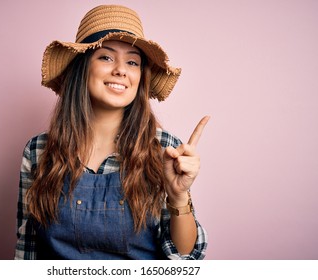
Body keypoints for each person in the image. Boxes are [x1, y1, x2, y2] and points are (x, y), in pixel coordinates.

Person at [15, 4, 209, 260]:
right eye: (106, 57)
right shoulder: (38, 150)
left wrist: (178, 196)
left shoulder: (165, 148)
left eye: (132, 62)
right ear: (82, 68)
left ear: (140, 77)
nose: (121, 70)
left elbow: (183, 258)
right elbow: (27, 249)